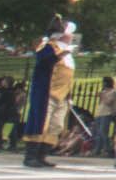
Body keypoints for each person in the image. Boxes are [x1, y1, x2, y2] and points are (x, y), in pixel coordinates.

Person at [22, 21, 76, 169]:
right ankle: (31, 156)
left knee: (56, 126)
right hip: (47, 93)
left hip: (62, 96)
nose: (72, 36)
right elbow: (44, 61)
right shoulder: (48, 47)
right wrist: (61, 54)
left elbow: (67, 77)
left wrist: (69, 95)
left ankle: (42, 156)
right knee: (41, 125)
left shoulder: (68, 52)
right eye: (70, 33)